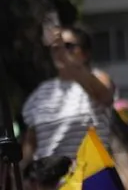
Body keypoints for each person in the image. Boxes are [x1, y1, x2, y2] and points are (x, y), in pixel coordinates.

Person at [21, 25, 115, 161]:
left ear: (86, 53)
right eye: (56, 47)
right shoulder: (41, 92)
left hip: (88, 177)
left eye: (68, 46)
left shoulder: (99, 78)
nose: (61, 52)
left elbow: (104, 95)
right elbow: (31, 143)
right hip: (49, 179)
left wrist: (68, 60)